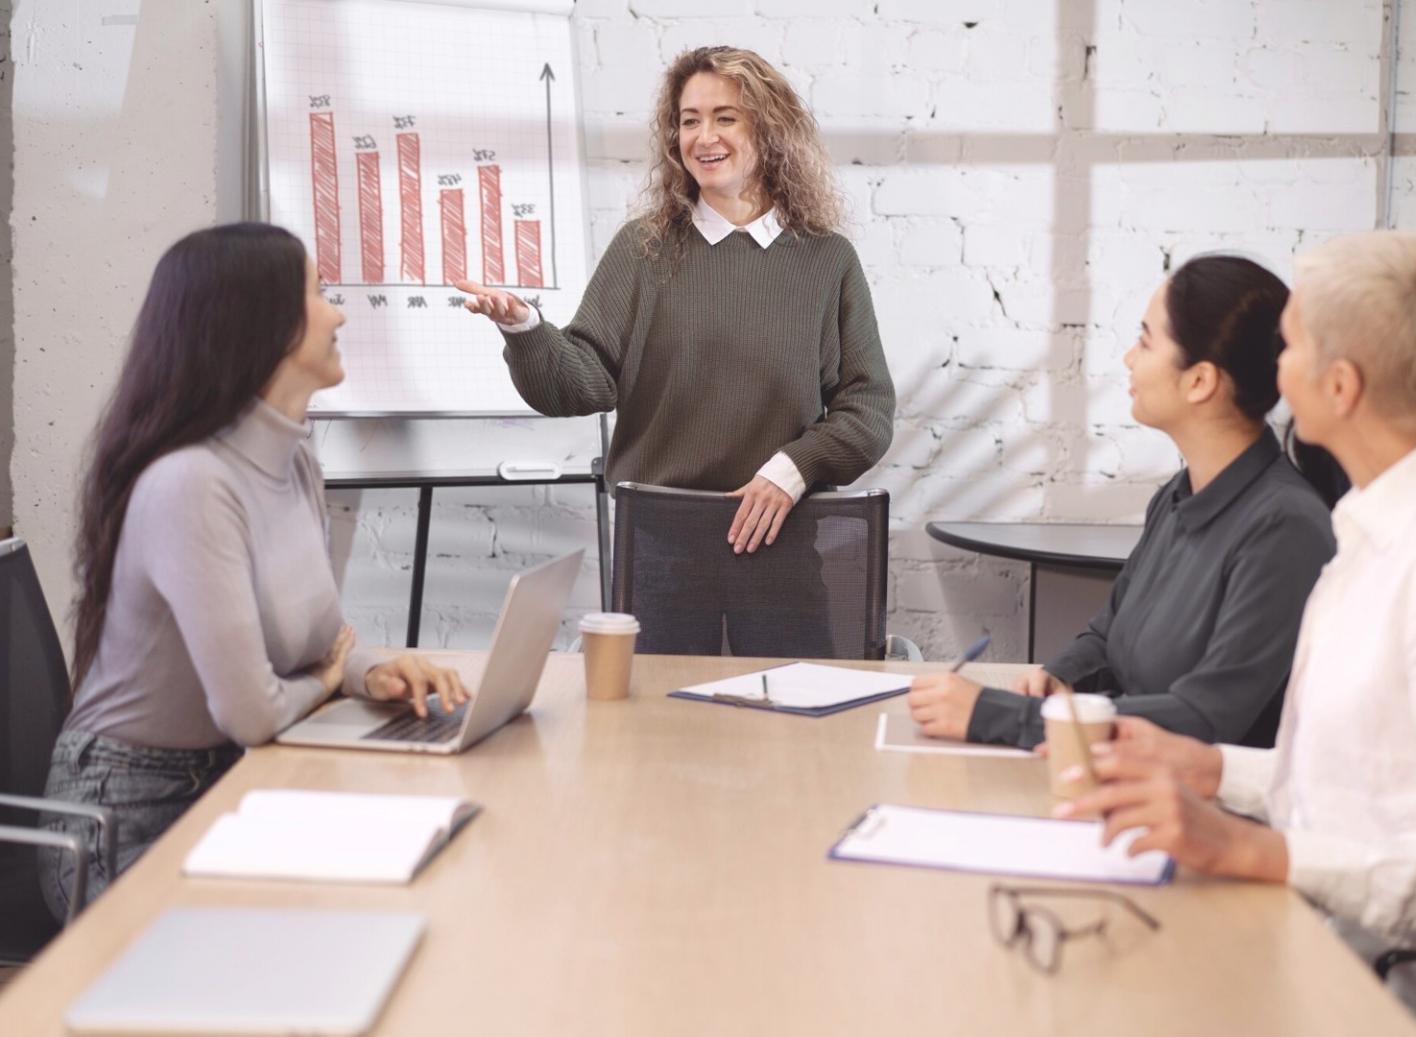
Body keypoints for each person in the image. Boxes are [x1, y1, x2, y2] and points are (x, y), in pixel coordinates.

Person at [1064, 231, 1416, 1036]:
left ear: (1338, 384)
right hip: (1327, 948)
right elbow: (1369, 790)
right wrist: (1213, 765)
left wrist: (1262, 852)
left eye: (1288, 343)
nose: (1271, 367)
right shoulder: (1371, 533)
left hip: (1411, 1004)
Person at [39, 223, 471, 920]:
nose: (339, 312)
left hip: (228, 779)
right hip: (121, 815)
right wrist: (330, 678)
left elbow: (323, 643)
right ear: (259, 324)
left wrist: (373, 673)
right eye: (319, 293)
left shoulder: (293, 461)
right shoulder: (191, 483)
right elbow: (251, 710)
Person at [457, 45, 894, 655]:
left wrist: (790, 470)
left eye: (725, 117)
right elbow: (582, 384)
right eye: (689, 120)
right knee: (651, 738)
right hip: (661, 554)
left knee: (793, 737)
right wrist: (527, 328)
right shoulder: (642, 250)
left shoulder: (827, 260)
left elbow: (867, 410)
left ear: (768, 130)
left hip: (784, 542)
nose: (703, 136)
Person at [908, 256, 1343, 750]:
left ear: (1200, 381)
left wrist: (1002, 715)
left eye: (1145, 340)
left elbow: (1207, 716)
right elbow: (1110, 632)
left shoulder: (1286, 528)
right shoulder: (1177, 498)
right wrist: (1061, 677)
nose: (1128, 359)